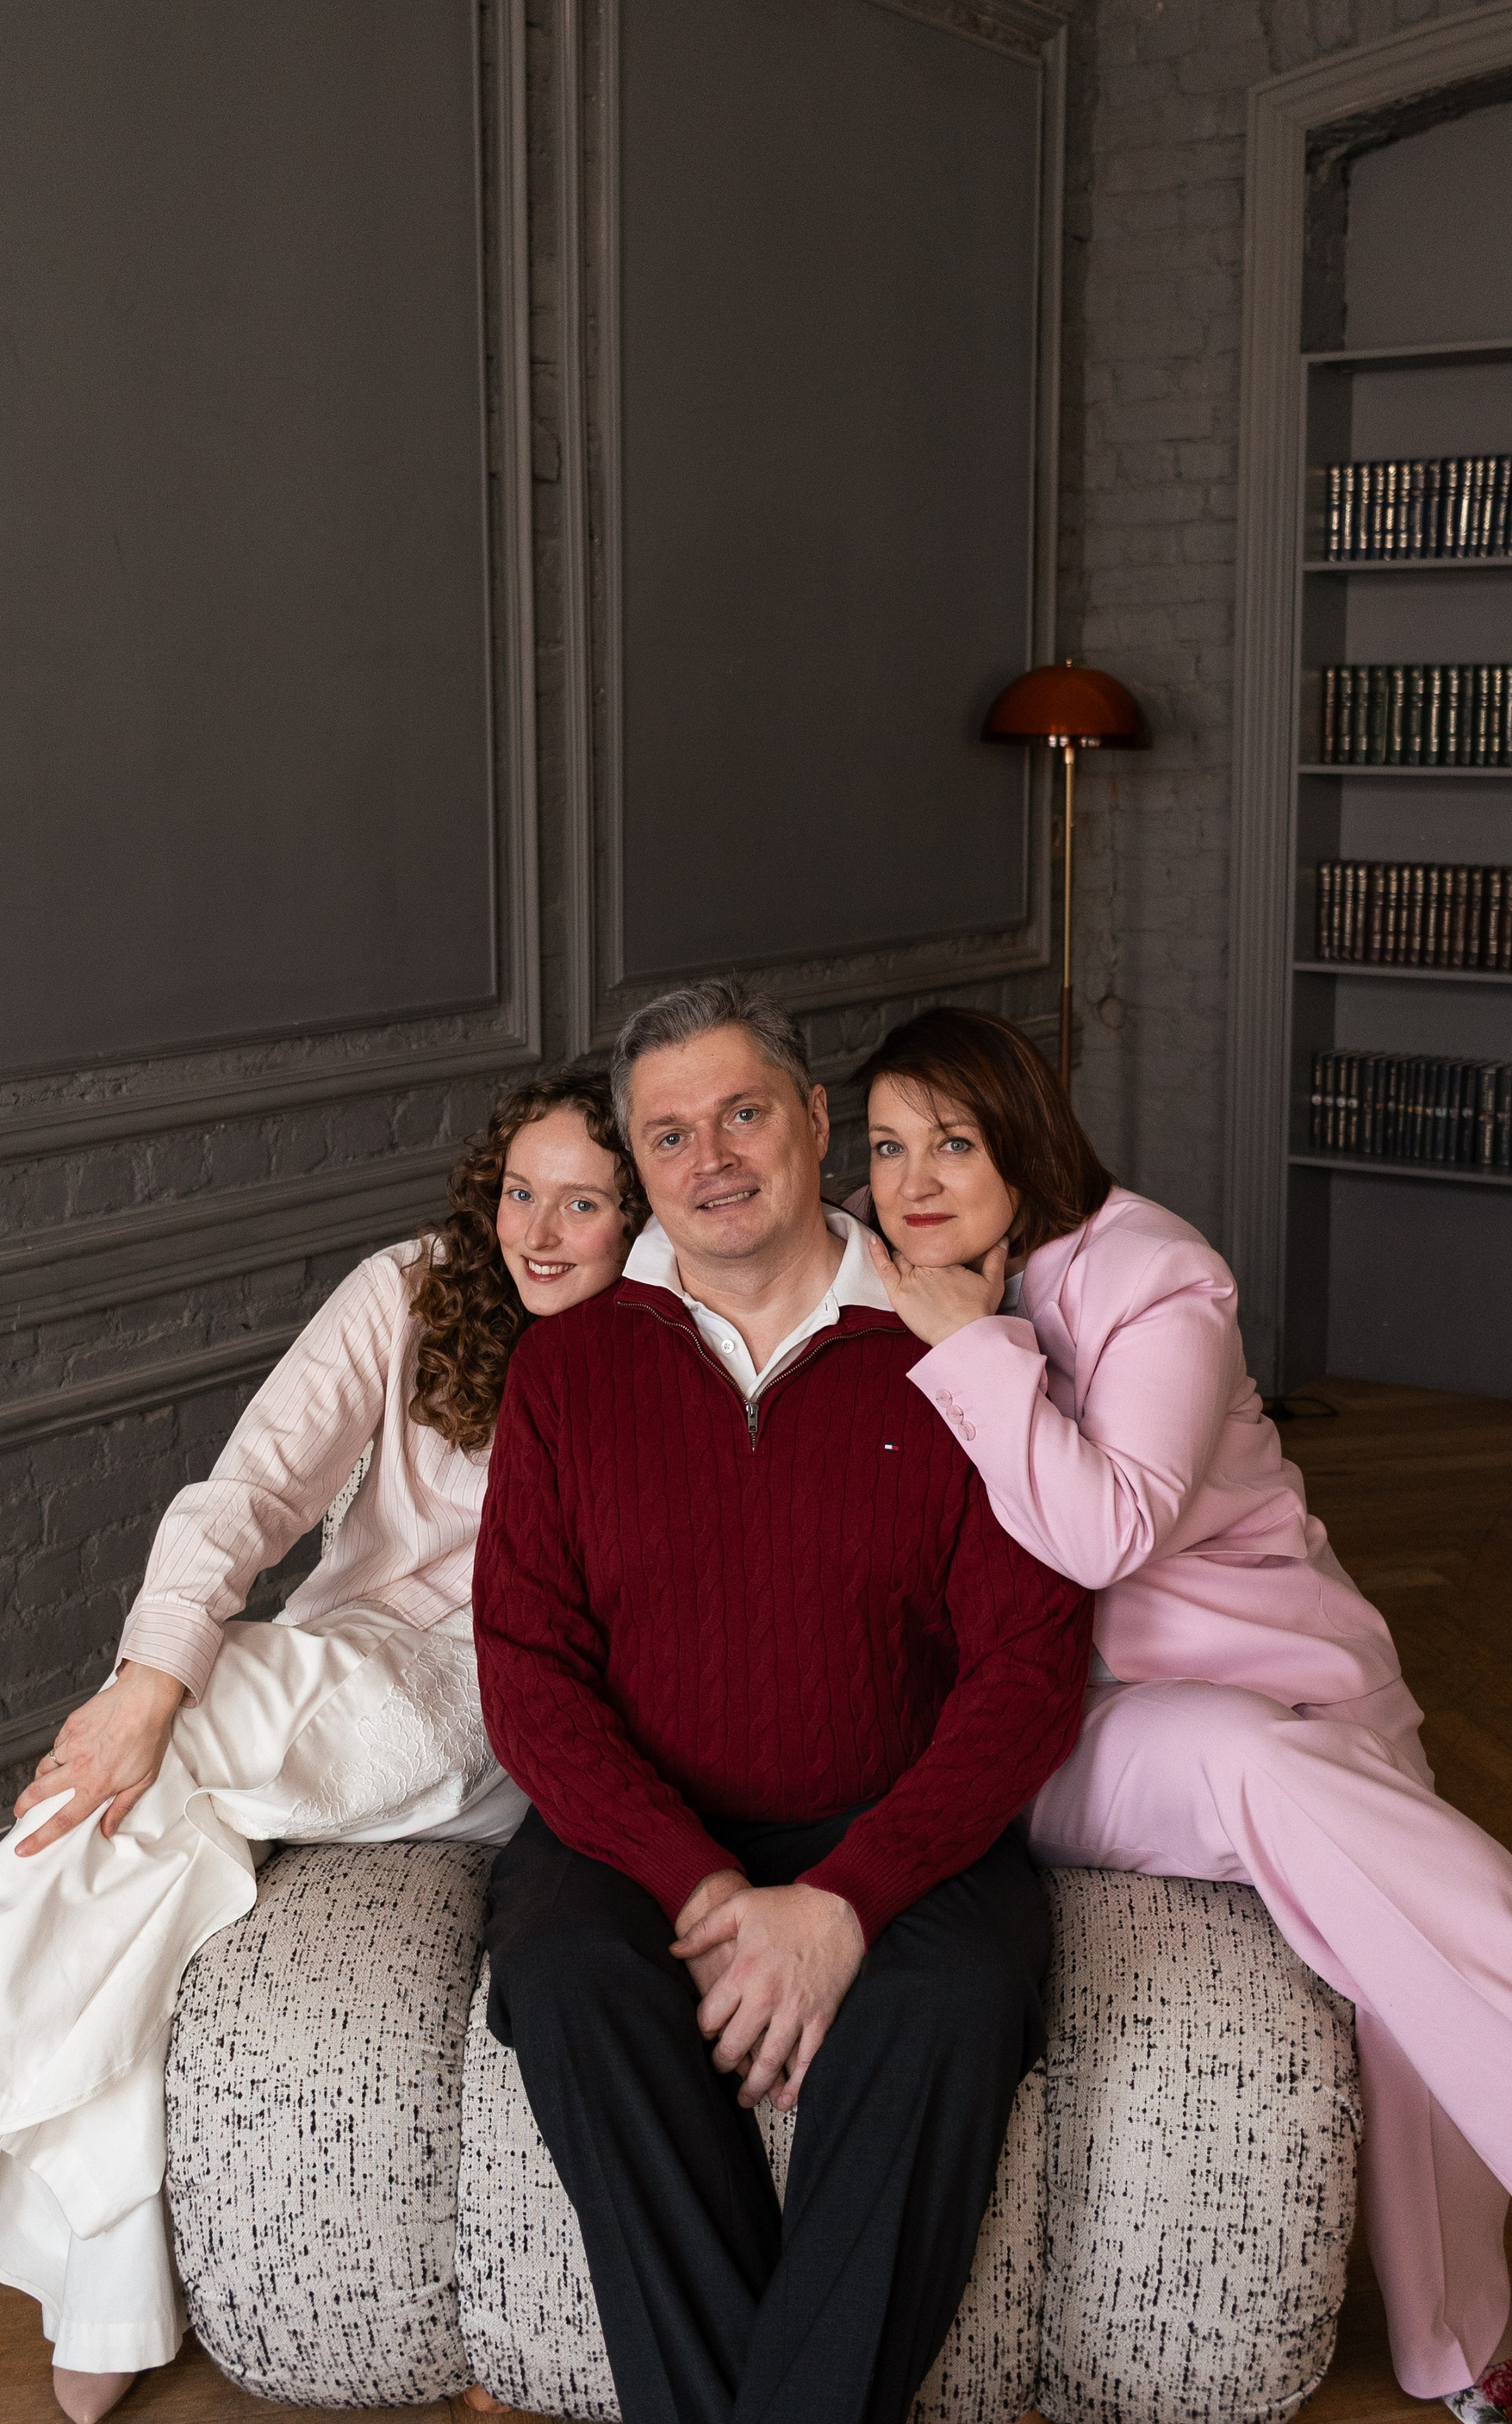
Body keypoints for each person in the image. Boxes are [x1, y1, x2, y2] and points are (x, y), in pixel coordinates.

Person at [0, 1072, 641, 2424]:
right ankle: (105, 2297)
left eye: (583, 1203)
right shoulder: (417, 1285)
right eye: (522, 1192)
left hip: (496, 1716)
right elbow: (254, 1485)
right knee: (158, 1839)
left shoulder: (671, 1336)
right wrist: (148, 1686)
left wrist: (149, 1694)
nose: (539, 1232)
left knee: (178, 1728)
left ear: (642, 1214)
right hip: (338, 1679)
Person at [856, 1002, 1512, 2423]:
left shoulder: (1158, 1275)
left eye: (951, 1142)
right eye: (887, 1147)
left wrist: (970, 1341)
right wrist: (959, 1338)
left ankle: (1465, 2348)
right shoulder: (879, 1278)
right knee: (1253, 1767)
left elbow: (1113, 1527)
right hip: (1068, 1727)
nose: (913, 1182)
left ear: (1022, 1137)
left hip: (1291, 1669)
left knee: (1385, 1937)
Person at [470, 977, 1093, 2424]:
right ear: (641, 1167)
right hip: (637, 1837)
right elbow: (529, 1676)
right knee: (566, 1976)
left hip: (899, 1823)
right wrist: (699, 1886)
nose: (712, 1160)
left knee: (951, 2002)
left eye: (743, 1114)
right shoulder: (566, 1370)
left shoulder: (957, 1352)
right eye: (669, 1135)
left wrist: (847, 1900)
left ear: (815, 1121)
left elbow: (1029, 1671)